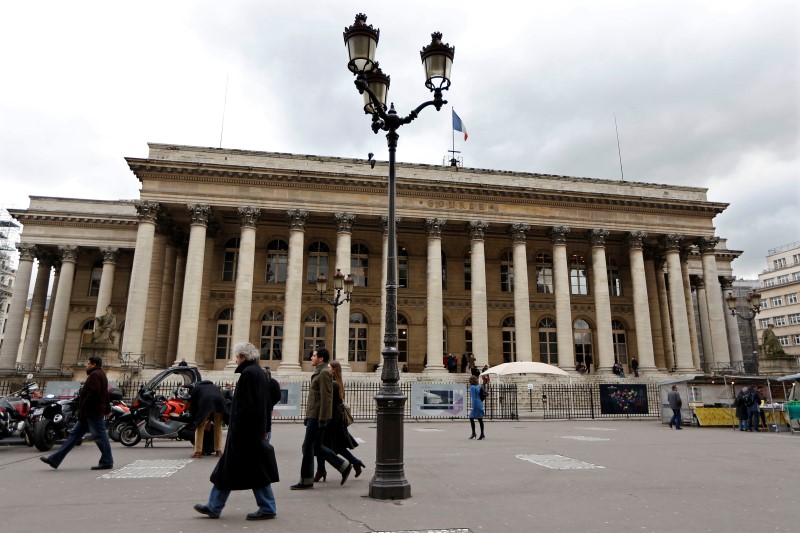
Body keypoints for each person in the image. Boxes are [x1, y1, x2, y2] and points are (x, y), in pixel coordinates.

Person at [194, 342, 279, 520]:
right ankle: (214, 506)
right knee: (230, 469)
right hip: (251, 431)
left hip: (245, 433)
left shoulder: (249, 374)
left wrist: (238, 430)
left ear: (243, 357)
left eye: (237, 356)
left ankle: (267, 507)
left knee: (253, 470)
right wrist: (264, 428)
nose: (236, 360)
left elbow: (246, 407)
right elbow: (265, 404)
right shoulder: (259, 373)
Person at [291, 348, 352, 490]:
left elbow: (326, 398)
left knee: (307, 447)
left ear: (321, 359)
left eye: (313, 356)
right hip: (313, 414)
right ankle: (344, 466)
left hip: (318, 416)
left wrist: (323, 419)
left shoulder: (324, 373)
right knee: (317, 446)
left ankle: (306, 480)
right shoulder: (319, 372)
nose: (311, 358)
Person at [41, 356, 114, 470]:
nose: (86, 365)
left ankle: (107, 461)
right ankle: (54, 459)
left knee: (100, 436)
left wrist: (83, 405)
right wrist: (107, 409)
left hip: (92, 412)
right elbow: (105, 394)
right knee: (73, 436)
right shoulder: (100, 374)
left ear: (94, 364)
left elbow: (94, 394)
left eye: (88, 363)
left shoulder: (95, 375)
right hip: (89, 413)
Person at [315, 360, 366, 482]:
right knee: (334, 447)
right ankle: (355, 463)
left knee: (321, 446)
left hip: (332, 420)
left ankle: (321, 471)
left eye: (328, 367)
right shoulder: (337, 383)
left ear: (333, 370)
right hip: (335, 420)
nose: (326, 369)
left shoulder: (333, 384)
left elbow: (329, 403)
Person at [190, 380, 229, 459]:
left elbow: (193, 405)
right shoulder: (215, 388)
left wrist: (195, 419)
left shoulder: (197, 388)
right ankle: (218, 451)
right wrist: (210, 420)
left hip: (206, 404)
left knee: (200, 427)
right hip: (219, 404)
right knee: (218, 427)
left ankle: (198, 452)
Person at [468, 375, 485, 440]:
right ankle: (482, 433)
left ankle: (474, 433)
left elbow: (473, 398)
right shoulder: (478, 386)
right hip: (480, 403)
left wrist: (472, 407)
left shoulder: (472, 387)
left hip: (475, 404)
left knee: (471, 418)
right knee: (480, 419)